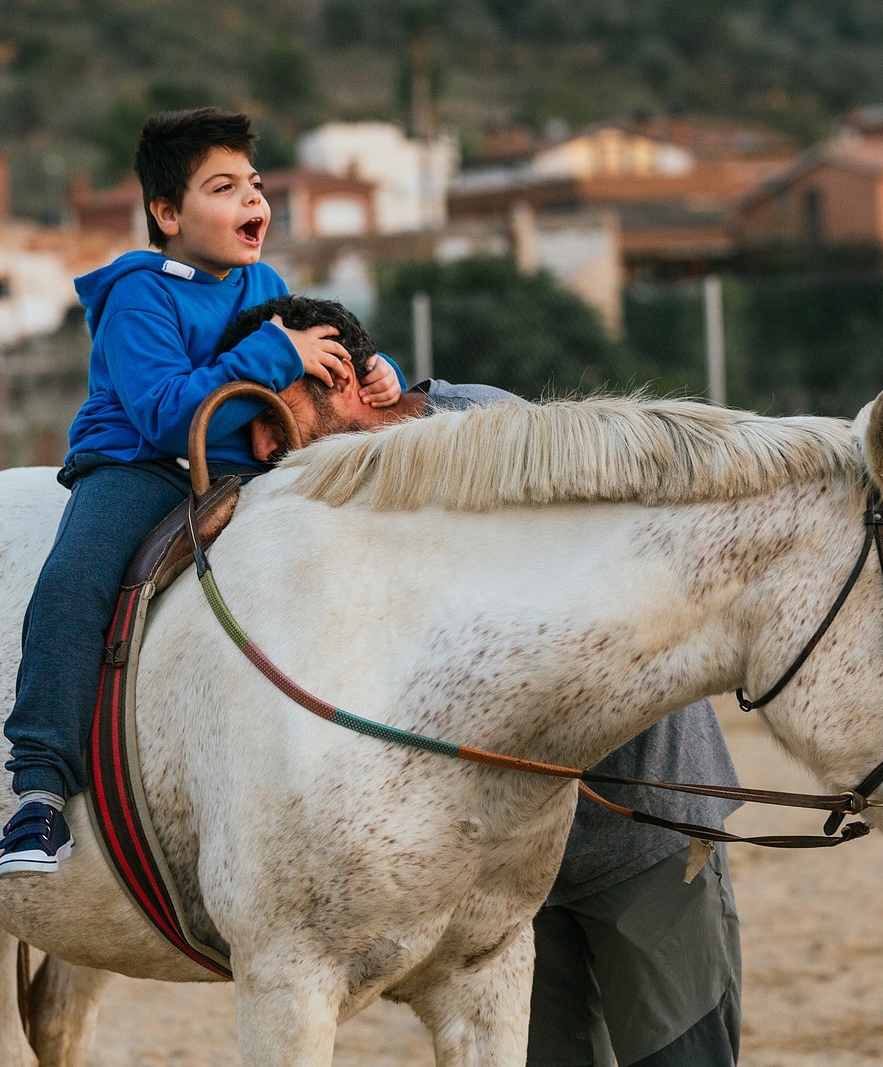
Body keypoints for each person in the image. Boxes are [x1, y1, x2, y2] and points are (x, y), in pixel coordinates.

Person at [237, 296, 745, 1065]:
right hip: (512, 868)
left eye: (277, 408)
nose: (264, 442)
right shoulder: (332, 509)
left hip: (642, 827)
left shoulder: (481, 426)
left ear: (346, 377)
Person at [0, 109, 404, 878]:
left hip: (246, 467)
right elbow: (161, 411)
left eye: (254, 184)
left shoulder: (266, 282)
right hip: (139, 468)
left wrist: (373, 368)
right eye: (224, 188)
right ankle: (40, 790)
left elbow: (314, 352)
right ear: (167, 212)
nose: (253, 201)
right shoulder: (139, 295)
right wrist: (270, 347)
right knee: (75, 579)